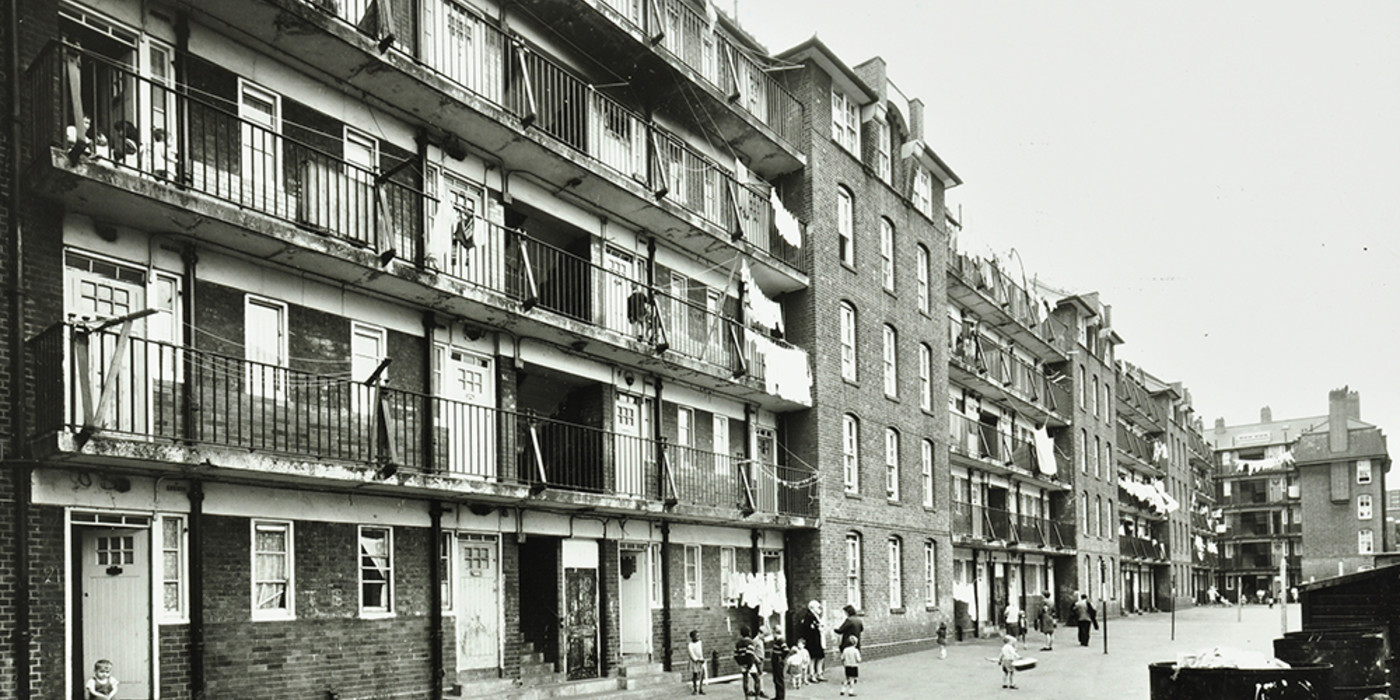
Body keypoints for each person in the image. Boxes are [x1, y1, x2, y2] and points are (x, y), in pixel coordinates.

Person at [799, 600, 826, 684]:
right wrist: (817, 627)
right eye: (817, 607)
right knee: (812, 657)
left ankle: (819, 673)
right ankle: (812, 674)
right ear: (812, 608)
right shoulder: (808, 616)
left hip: (817, 639)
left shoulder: (816, 616)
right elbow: (808, 629)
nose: (819, 609)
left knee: (820, 656)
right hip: (812, 640)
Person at [688, 629, 707, 695]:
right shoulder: (690, 645)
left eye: (699, 636)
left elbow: (700, 651)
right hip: (694, 662)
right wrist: (696, 660)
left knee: (702, 674)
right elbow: (691, 654)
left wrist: (702, 659)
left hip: (700, 660)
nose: (698, 637)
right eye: (697, 636)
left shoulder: (700, 643)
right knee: (695, 675)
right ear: (692, 637)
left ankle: (700, 689)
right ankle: (695, 689)